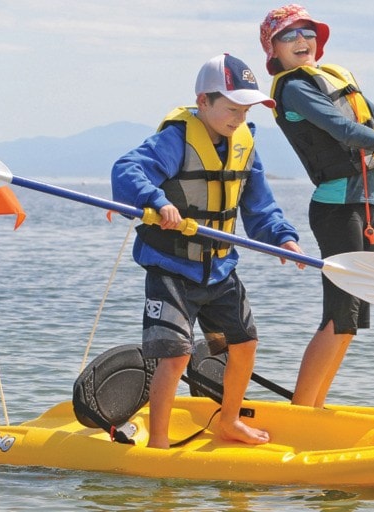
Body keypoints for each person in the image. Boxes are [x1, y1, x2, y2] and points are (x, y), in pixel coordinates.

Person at [111, 53, 304, 448]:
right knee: (176, 356)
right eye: (231, 108)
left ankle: (229, 420)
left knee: (245, 343)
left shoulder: (246, 144)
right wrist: (157, 200)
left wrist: (282, 236)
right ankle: (159, 443)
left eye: (245, 109)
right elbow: (126, 170)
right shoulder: (175, 139)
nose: (238, 117)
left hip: (219, 270)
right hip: (171, 270)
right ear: (204, 102)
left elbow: (259, 206)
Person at [259, 5, 374, 408]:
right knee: (339, 314)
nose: (301, 41)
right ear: (272, 48)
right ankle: (302, 411)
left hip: (362, 206)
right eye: (289, 36)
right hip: (337, 210)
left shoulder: (331, 77)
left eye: (308, 32)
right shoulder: (294, 88)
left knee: (354, 320)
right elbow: (344, 130)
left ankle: (315, 406)